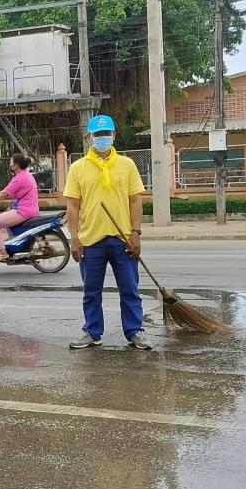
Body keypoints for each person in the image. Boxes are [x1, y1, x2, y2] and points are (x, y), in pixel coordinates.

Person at [63, 115, 153, 350]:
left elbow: (135, 201)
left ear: (113, 135)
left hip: (122, 239)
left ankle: (134, 331)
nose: (102, 138)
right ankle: (92, 331)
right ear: (89, 137)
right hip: (91, 240)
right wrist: (74, 237)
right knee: (91, 291)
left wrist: (135, 233)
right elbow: (72, 205)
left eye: (106, 134)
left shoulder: (127, 165)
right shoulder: (78, 168)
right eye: (97, 134)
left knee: (130, 289)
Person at [0, 153, 39, 263]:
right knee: (6, 214)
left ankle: (2, 252)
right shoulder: (26, 174)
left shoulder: (19, 178)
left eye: (11, 162)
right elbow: (9, 193)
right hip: (29, 209)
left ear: (16, 165)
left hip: (23, 211)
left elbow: (4, 194)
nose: (9, 164)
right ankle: (13, 248)